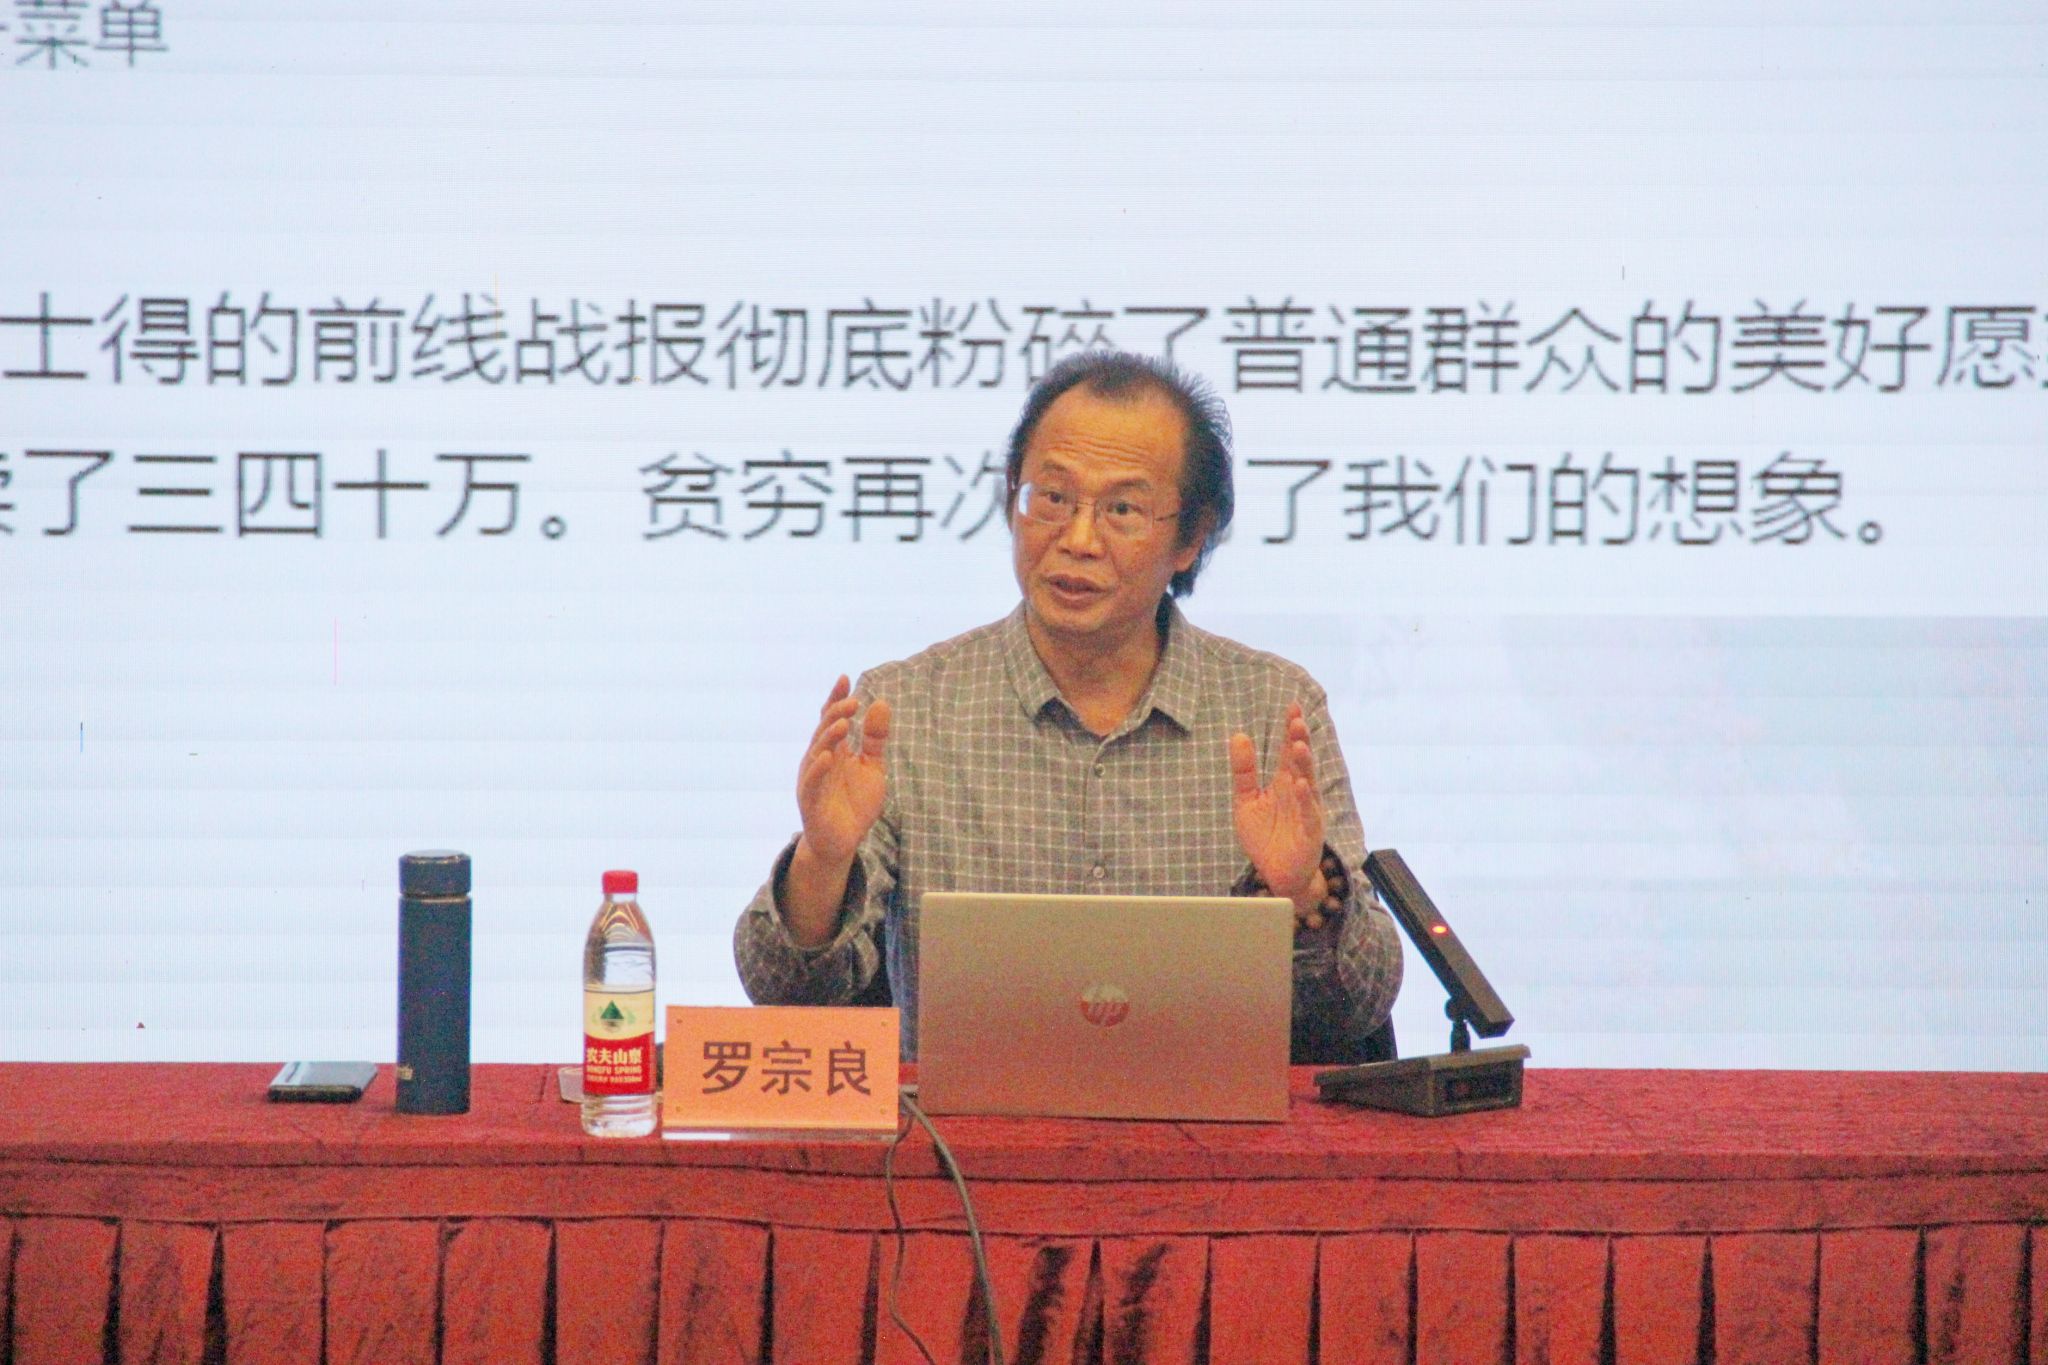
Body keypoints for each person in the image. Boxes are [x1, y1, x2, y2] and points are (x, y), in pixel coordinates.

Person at [734, 351, 1402, 1063]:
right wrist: (824, 860)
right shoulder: (905, 710)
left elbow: (1362, 1004)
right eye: (1051, 498)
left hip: (1208, 1128)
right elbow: (786, 992)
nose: (1078, 540)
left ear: (1191, 537)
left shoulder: (1272, 709)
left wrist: (1303, 892)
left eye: (1122, 509)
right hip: (968, 1132)